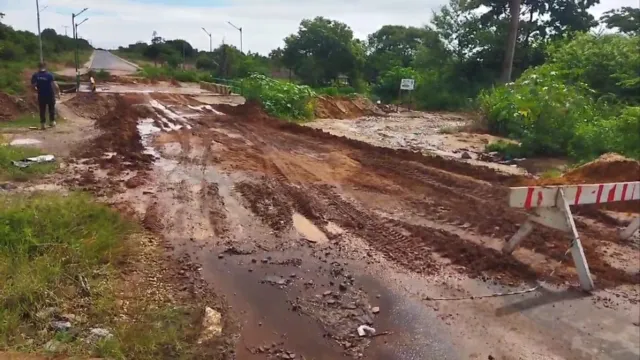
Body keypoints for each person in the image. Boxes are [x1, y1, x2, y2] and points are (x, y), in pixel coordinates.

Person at [31, 62, 60, 130]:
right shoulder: (49, 75)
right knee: (51, 108)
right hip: (50, 94)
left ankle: (43, 124)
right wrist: (58, 93)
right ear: (45, 67)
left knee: (42, 109)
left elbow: (33, 85)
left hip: (41, 95)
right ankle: (52, 122)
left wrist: (36, 89)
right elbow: (54, 85)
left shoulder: (36, 75)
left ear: (38, 67)